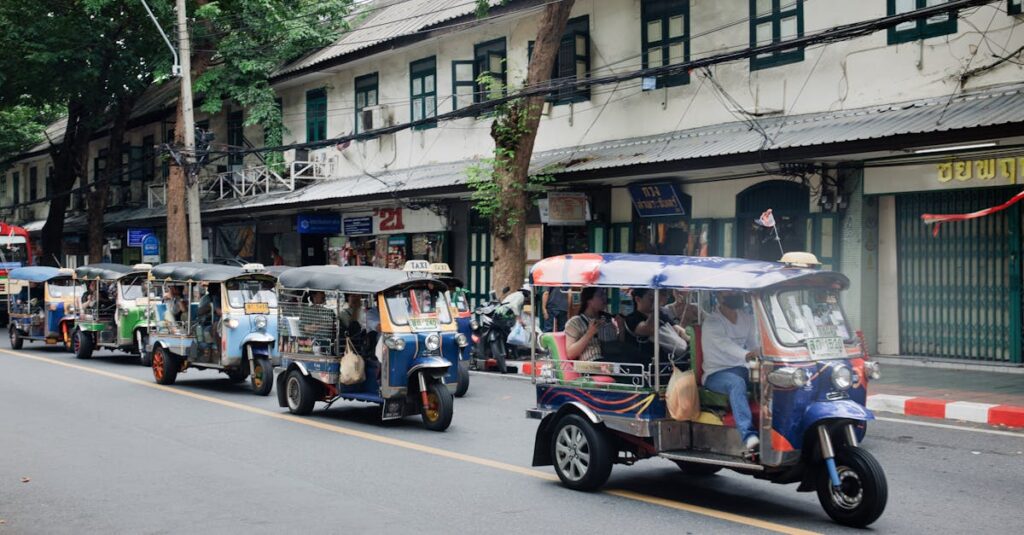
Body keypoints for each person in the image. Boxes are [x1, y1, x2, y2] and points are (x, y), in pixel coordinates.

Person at [701, 291, 761, 450]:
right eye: (730, 292)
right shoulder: (712, 322)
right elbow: (725, 345)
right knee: (736, 383)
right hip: (716, 374)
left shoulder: (746, 318)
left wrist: (760, 354)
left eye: (737, 291)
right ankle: (748, 435)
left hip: (741, 367)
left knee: (770, 376)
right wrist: (747, 354)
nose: (736, 294)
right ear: (719, 296)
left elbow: (753, 342)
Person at [563, 287, 621, 362]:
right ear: (589, 300)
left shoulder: (608, 320)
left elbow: (617, 346)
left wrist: (621, 327)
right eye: (600, 295)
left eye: (604, 295)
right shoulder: (575, 322)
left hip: (613, 361)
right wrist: (589, 334)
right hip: (592, 365)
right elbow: (570, 354)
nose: (604, 298)